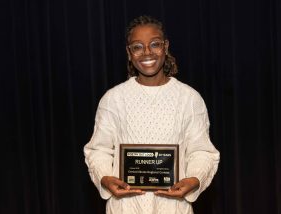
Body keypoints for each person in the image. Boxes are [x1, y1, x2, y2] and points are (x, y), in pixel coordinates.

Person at [84, 15, 220, 214]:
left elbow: (202, 151)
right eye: (137, 46)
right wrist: (105, 177)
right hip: (126, 207)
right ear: (129, 53)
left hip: (173, 207)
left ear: (165, 46)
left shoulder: (189, 98)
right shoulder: (113, 99)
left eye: (154, 44)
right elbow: (98, 150)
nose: (147, 52)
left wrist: (194, 179)